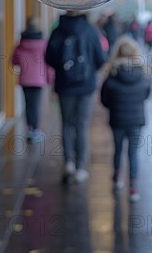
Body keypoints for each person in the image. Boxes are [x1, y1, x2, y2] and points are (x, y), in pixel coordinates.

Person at [45, 11, 106, 183]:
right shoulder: (91, 30)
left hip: (64, 85)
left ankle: (68, 163)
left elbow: (49, 57)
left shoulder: (58, 30)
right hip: (86, 86)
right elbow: (101, 59)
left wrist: (63, 69)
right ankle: (80, 168)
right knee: (82, 124)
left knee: (66, 124)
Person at [101, 37, 151, 200]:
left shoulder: (112, 74)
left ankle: (117, 178)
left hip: (117, 118)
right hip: (136, 120)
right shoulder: (142, 74)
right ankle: (134, 187)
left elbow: (104, 99)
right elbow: (146, 94)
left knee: (118, 150)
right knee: (133, 153)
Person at [11, 16, 53, 143]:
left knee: (28, 105)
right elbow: (49, 63)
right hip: (39, 80)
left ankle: (30, 129)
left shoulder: (20, 44)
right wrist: (50, 78)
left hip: (25, 79)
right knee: (36, 105)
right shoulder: (44, 43)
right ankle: (35, 130)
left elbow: (14, 61)